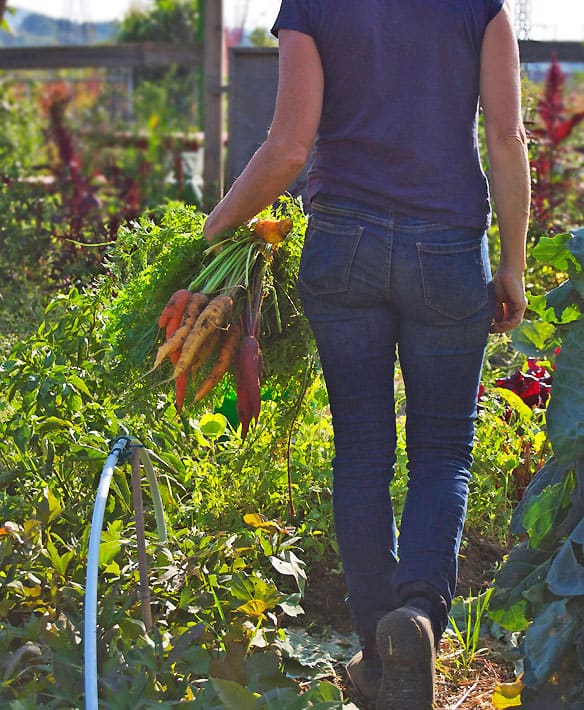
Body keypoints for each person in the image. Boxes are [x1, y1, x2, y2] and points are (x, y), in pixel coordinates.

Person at [203, 1, 529, 707]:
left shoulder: (313, 5)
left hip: (342, 242)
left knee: (361, 451)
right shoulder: (480, 7)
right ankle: (417, 616)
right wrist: (512, 264)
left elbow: (288, 147)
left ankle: (379, 657)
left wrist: (212, 235)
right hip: (447, 247)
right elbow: (506, 135)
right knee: (442, 451)